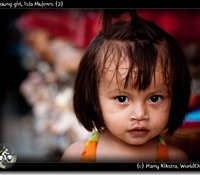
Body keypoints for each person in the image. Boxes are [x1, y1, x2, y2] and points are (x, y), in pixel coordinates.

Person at [61, 9, 191, 163]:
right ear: (95, 99)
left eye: (155, 98)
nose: (140, 114)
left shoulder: (175, 159)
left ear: (174, 97)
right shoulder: (77, 155)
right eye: (122, 99)